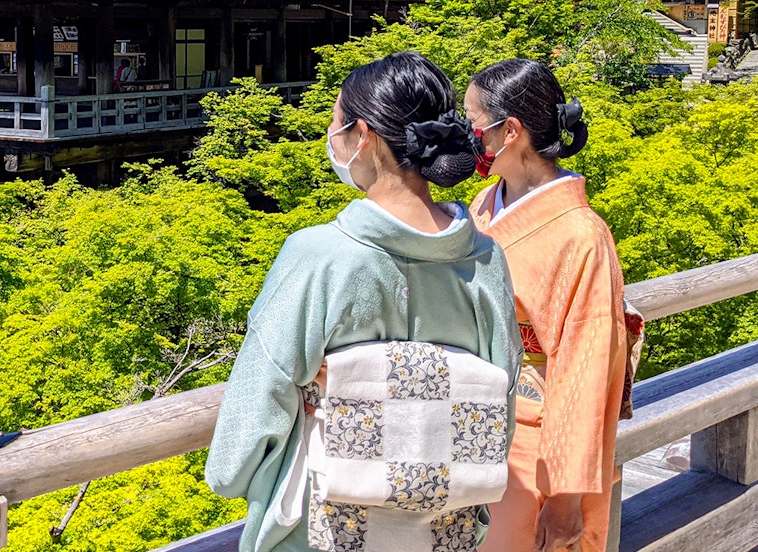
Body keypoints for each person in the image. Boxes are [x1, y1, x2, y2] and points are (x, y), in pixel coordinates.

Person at [206, 51, 521, 552]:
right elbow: (501, 404)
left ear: (365, 135)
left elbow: (249, 424)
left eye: (337, 124)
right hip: (444, 525)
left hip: (321, 524)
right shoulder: (484, 258)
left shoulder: (319, 256)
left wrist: (254, 480)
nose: (333, 137)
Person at [465, 59, 627, 552]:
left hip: (535, 436)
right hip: (474, 422)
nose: (467, 133)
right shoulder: (484, 203)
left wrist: (565, 498)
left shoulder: (581, 234)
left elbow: (586, 370)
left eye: (473, 120)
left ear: (509, 131)